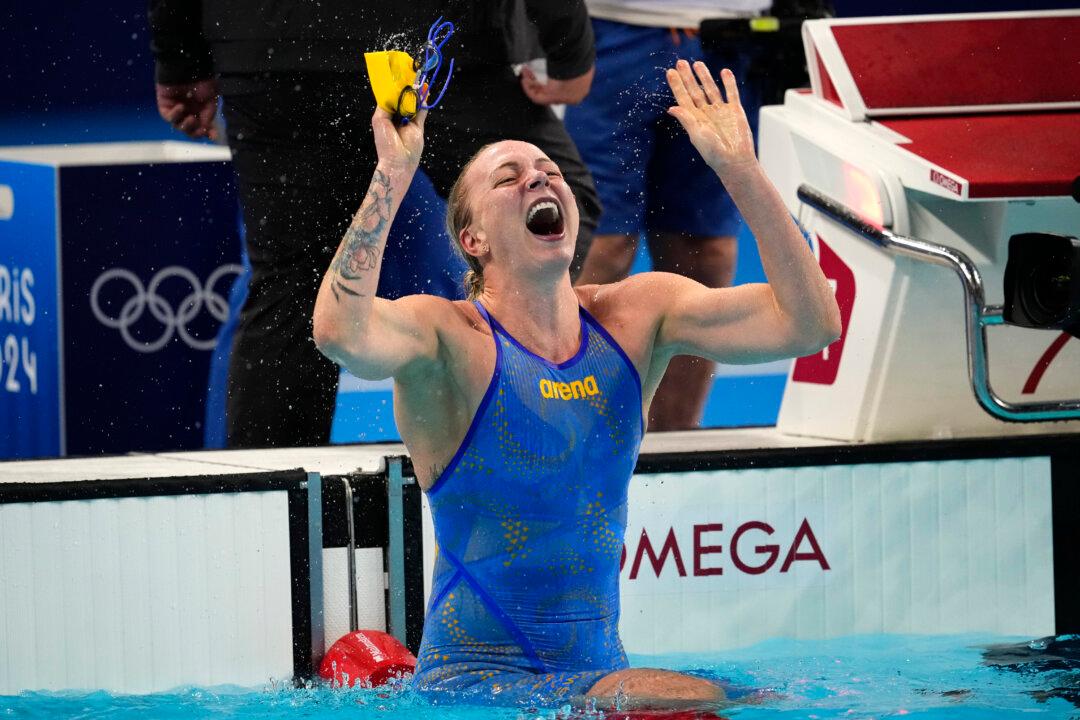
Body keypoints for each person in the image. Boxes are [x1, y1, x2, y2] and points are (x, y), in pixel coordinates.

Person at [313, 59, 840, 709]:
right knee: (697, 700)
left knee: (776, 699)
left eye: (550, 171)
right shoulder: (447, 339)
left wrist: (740, 169)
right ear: (472, 238)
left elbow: (812, 324)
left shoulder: (636, 316)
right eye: (509, 178)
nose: (538, 176)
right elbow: (339, 331)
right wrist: (393, 174)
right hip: (476, 688)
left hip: (599, 683)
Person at [147, 1, 601, 448]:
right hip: (439, 43)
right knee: (548, 214)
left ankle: (270, 505)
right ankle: (523, 444)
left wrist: (180, 60)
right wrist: (569, 51)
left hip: (274, 48)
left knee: (288, 292)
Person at [564, 0, 768, 431]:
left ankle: (675, 444)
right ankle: (566, 437)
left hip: (731, 36)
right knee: (599, 246)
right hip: (612, 30)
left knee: (703, 252)